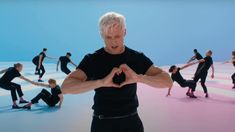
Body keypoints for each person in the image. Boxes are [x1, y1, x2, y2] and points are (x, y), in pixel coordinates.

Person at [61, 12, 173, 132]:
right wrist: (101, 82)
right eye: (108, 37)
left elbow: (167, 81)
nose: (113, 42)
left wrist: (139, 78)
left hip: (132, 122)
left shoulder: (137, 57)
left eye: (117, 36)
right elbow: (66, 87)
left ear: (125, 32)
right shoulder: (92, 59)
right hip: (102, 123)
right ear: (101, 35)